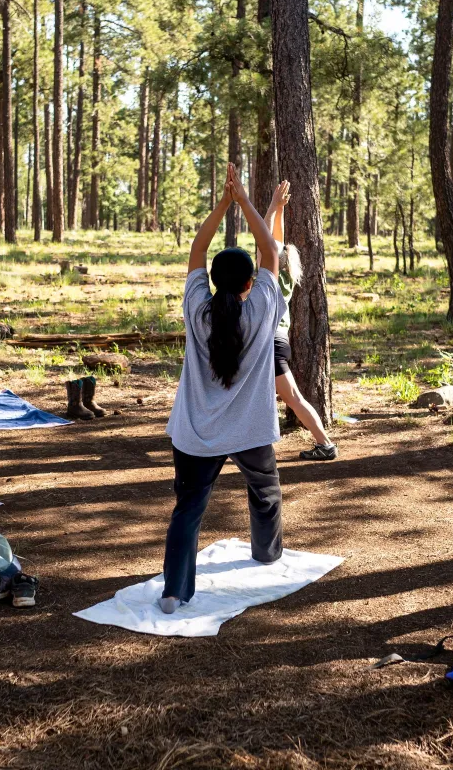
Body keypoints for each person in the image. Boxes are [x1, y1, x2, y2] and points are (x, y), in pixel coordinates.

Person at [159, 164, 287, 614]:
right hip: (250, 431)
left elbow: (197, 248)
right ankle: (267, 554)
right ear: (251, 284)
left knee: (188, 510)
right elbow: (270, 250)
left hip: (196, 434)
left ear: (211, 281)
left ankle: (175, 591)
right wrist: (248, 201)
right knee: (265, 491)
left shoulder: (198, 307)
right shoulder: (264, 307)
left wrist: (223, 203)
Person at [263, 188, 338, 461]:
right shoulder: (282, 274)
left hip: (271, 343)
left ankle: (325, 444)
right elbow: (275, 239)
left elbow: (267, 237)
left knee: (293, 397)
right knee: (278, 397)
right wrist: (280, 208)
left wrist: (272, 206)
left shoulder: (269, 276)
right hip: (276, 341)